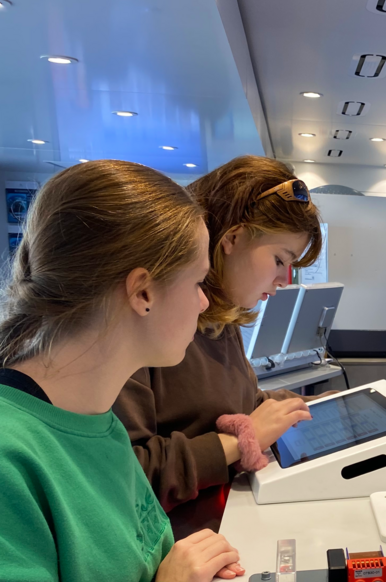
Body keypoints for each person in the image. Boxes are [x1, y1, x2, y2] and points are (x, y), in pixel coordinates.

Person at [0, 160, 244, 582]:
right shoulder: (10, 458)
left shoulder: (98, 423)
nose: (202, 301)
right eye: (195, 281)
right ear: (141, 291)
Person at [114, 156, 323, 539]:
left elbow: (220, 405)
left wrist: (273, 409)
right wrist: (241, 439)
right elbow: (123, 477)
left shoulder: (220, 318)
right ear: (231, 238)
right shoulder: (146, 324)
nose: (283, 280)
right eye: (279, 259)